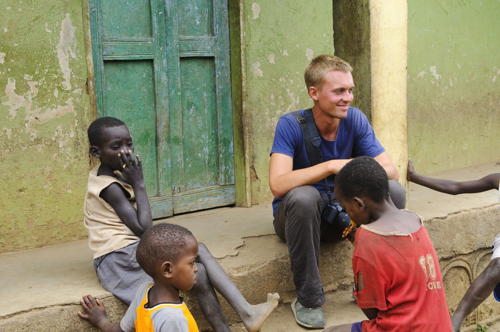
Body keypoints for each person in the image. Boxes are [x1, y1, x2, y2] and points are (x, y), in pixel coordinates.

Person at [84, 117, 279, 332]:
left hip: (130, 250)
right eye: (115, 146)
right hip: (116, 260)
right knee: (199, 269)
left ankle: (247, 314)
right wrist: (139, 184)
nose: (126, 152)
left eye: (128, 144)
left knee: (199, 257)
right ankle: (245, 316)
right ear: (96, 152)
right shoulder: (109, 186)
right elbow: (144, 231)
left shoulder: (114, 173)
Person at [268, 54, 406, 328]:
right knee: (303, 196)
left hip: (345, 216)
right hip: (300, 218)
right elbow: (278, 184)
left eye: (350, 90)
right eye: (339, 91)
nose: (348, 98)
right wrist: (329, 166)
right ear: (314, 93)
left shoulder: (354, 119)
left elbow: (390, 171)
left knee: (395, 192)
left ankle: (374, 288)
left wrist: (351, 169)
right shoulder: (290, 124)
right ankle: (308, 299)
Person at [322, 156, 452, 332]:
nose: (348, 215)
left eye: (347, 209)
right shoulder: (415, 220)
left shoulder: (367, 238)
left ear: (359, 204)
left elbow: (371, 309)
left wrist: (363, 249)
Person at [407, 159, 500, 332]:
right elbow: (456, 187)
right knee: (498, 266)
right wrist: (415, 177)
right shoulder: (497, 179)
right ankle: (453, 325)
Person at [78, 223, 201, 331]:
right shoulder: (172, 319)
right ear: (167, 270)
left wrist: (100, 320)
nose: (196, 268)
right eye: (192, 263)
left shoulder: (145, 293)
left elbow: (121, 330)